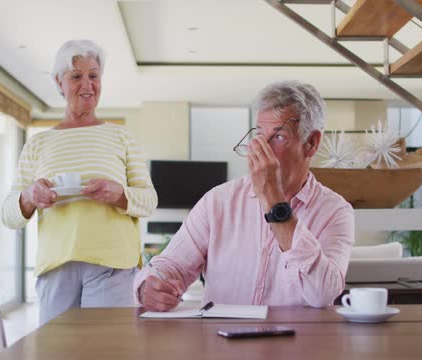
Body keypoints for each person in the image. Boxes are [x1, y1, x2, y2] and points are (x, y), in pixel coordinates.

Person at [134, 80, 354, 311]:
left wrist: (275, 204)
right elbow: (170, 265)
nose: (262, 148)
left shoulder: (335, 211)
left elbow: (323, 294)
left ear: (311, 143)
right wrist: (147, 287)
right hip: (220, 342)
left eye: (279, 136)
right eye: (259, 134)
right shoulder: (217, 201)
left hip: (293, 343)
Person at [2, 39, 157, 325]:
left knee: (107, 351)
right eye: (76, 76)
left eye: (94, 76)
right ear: (59, 83)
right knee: (57, 352)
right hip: (56, 267)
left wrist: (120, 194)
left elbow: (149, 200)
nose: (87, 84)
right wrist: (29, 196)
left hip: (113, 266)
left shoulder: (121, 137)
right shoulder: (38, 144)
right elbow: (9, 215)